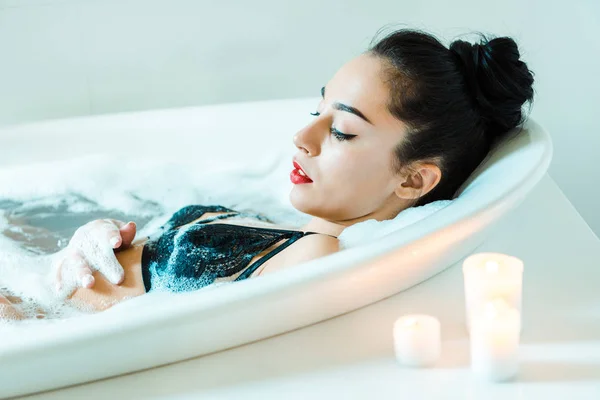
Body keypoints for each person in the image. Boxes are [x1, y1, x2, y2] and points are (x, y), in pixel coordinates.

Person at [0, 27, 535, 319]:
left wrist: (55, 287)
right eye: (316, 111)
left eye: (342, 131)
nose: (302, 139)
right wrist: (82, 244)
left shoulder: (315, 257)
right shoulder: (287, 225)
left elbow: (154, 330)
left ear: (414, 180)